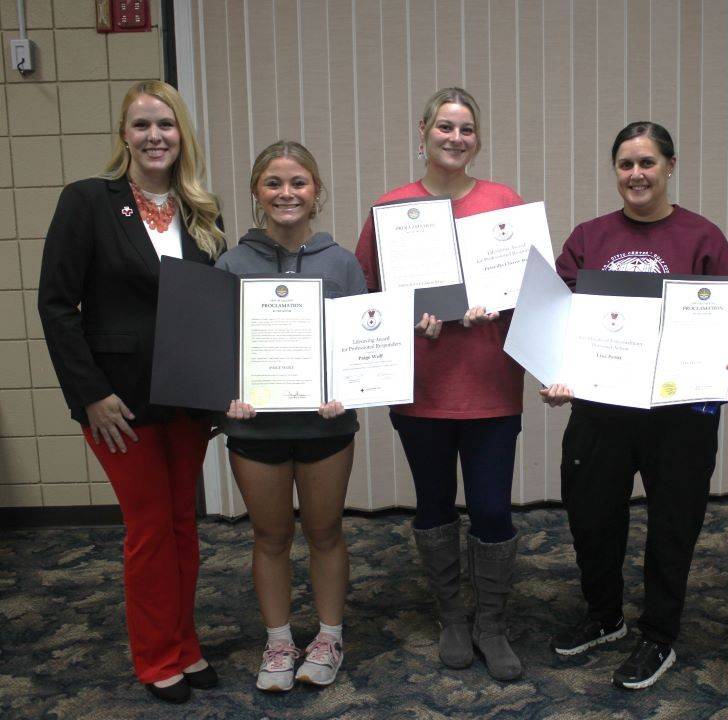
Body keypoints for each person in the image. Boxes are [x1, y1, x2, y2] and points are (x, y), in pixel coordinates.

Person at [542, 121, 728, 690]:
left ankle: (659, 635)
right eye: (625, 164)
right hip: (600, 413)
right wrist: (554, 372)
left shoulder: (701, 237)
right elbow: (553, 318)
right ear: (614, 171)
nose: (636, 175)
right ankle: (604, 617)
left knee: (673, 527)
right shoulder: (589, 238)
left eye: (647, 163)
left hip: (680, 417)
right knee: (591, 519)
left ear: (670, 166)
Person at [38, 80, 226, 704]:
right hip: (117, 402)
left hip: (188, 400)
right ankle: (156, 658)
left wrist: (220, 388)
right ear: (123, 134)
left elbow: (214, 309)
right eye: (142, 125)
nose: (154, 137)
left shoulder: (203, 210)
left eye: (166, 125)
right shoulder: (89, 201)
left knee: (182, 525)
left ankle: (187, 644)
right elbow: (57, 304)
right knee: (148, 529)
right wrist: (89, 393)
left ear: (182, 136)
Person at [354, 87, 526, 681]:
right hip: (422, 387)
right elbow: (366, 297)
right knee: (433, 505)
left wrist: (498, 302)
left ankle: (492, 623)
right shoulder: (392, 209)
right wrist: (406, 317)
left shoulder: (503, 201)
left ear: (478, 139)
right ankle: (453, 616)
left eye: (467, 129)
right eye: (445, 127)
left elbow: (532, 287)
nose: (456, 138)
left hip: (491, 385)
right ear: (422, 130)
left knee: (492, 509)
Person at [217, 141, 367, 692]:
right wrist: (224, 395)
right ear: (257, 192)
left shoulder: (342, 262)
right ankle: (279, 642)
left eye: (298, 182)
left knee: (326, 531)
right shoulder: (230, 264)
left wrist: (346, 389)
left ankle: (329, 636)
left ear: (316, 191)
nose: (287, 193)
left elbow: (362, 344)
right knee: (270, 535)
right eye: (274, 183)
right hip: (255, 427)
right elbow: (217, 350)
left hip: (324, 425)